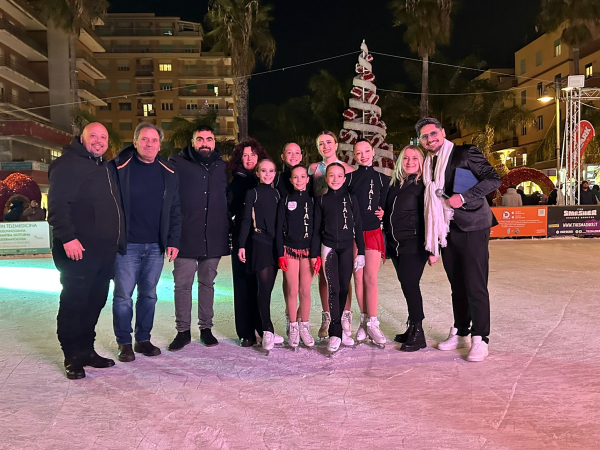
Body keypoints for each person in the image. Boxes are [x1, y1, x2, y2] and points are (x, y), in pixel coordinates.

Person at [418, 117, 501, 362]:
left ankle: (481, 337)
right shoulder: (429, 163)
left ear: (442, 132)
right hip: (446, 229)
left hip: (472, 225)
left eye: (433, 133)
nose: (430, 138)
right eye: (424, 136)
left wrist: (463, 197)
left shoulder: (464, 153)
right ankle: (462, 330)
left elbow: (492, 178)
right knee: (457, 285)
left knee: (475, 283)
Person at [48, 122, 123, 380]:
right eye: (94, 136)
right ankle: (71, 355)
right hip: (78, 251)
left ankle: (86, 350)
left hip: (104, 251)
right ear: (82, 138)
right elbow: (57, 205)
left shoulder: (102, 165)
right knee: (74, 302)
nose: (99, 141)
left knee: (95, 301)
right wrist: (68, 238)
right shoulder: (67, 164)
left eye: (103, 137)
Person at [109, 123, 181, 362]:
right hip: (126, 245)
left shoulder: (168, 171)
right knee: (123, 296)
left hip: (155, 246)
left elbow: (175, 209)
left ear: (160, 144)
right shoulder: (118, 167)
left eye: (154, 140)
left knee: (149, 295)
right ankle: (123, 342)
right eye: (145, 139)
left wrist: (173, 240)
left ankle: (142, 339)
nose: (149, 144)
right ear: (136, 141)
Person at [166, 126, 229, 351]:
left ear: (214, 142)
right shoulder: (177, 164)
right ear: (192, 142)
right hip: (185, 237)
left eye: (209, 139)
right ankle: (182, 331)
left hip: (212, 237)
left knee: (207, 284)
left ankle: (206, 328)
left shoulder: (223, 167)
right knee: (182, 286)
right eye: (200, 139)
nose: (205, 143)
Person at [313, 163, 365, 354]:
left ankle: (341, 328)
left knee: (344, 287)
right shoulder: (320, 201)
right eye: (331, 176)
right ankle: (335, 332)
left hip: (346, 249)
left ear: (344, 178)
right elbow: (316, 231)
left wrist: (361, 252)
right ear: (326, 178)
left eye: (339, 176)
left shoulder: (351, 199)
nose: (335, 179)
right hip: (329, 249)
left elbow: (358, 227)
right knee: (333, 289)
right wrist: (314, 255)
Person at [308, 131, 354, 340]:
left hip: (344, 232)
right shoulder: (314, 169)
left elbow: (356, 201)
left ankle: (345, 316)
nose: (325, 146)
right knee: (325, 277)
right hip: (323, 231)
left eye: (328, 142)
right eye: (321, 144)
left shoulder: (349, 170)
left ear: (336, 144)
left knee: (345, 277)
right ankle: (328, 316)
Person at [384, 145, 430, 351]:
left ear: (421, 161)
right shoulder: (395, 184)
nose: (410, 162)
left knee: (411, 285)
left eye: (414, 158)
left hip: (414, 243)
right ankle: (412, 327)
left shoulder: (424, 186)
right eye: (406, 158)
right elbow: (389, 212)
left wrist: (433, 248)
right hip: (396, 244)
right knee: (406, 285)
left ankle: (419, 332)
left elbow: (432, 218)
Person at [346, 139, 389, 347]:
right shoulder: (349, 178)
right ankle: (363, 321)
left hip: (372, 232)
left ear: (373, 152)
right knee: (358, 277)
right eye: (358, 152)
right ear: (354, 156)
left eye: (366, 151)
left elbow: (388, 206)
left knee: (370, 277)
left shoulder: (383, 179)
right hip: (354, 234)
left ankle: (373, 321)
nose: (363, 155)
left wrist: (383, 212)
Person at [227, 139, 269, 347]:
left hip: (262, 242)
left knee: (260, 286)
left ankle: (263, 327)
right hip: (242, 241)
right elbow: (229, 213)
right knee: (243, 285)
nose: (250, 158)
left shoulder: (264, 180)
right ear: (239, 159)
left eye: (253, 154)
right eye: (245, 155)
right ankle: (246, 332)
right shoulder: (237, 182)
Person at [238, 159, 282, 352]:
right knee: (263, 289)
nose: (267, 174)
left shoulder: (277, 193)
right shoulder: (252, 193)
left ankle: (263, 329)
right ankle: (267, 329)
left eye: (271, 171)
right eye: (263, 171)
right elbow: (246, 220)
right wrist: (241, 245)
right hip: (259, 243)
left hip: (274, 246)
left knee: (267, 290)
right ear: (257, 173)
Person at [276, 164, 320, 348]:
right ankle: (293, 326)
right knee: (292, 290)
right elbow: (279, 229)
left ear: (308, 179)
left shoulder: (314, 201)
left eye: (303, 177)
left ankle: (304, 326)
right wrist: (280, 254)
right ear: (290, 180)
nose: (299, 180)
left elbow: (317, 230)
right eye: (295, 177)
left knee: (305, 290)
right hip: (290, 250)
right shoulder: (285, 200)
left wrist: (316, 254)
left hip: (309, 251)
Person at [273, 142, 311, 336]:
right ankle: (292, 322)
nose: (294, 155)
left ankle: (301, 323)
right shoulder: (277, 180)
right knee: (290, 286)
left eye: (297, 152)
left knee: (304, 288)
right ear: (283, 156)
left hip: (305, 244)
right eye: (290, 152)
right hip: (286, 242)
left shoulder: (310, 192)